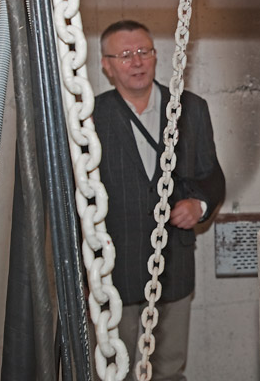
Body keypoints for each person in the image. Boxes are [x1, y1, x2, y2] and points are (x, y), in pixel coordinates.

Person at [94, 20, 225, 380]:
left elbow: (212, 176)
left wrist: (198, 205)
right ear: (106, 66)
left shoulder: (191, 108)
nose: (136, 62)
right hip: (112, 270)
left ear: (155, 56)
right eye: (124, 55)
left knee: (169, 369)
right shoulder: (90, 118)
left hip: (172, 266)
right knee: (112, 372)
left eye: (143, 52)